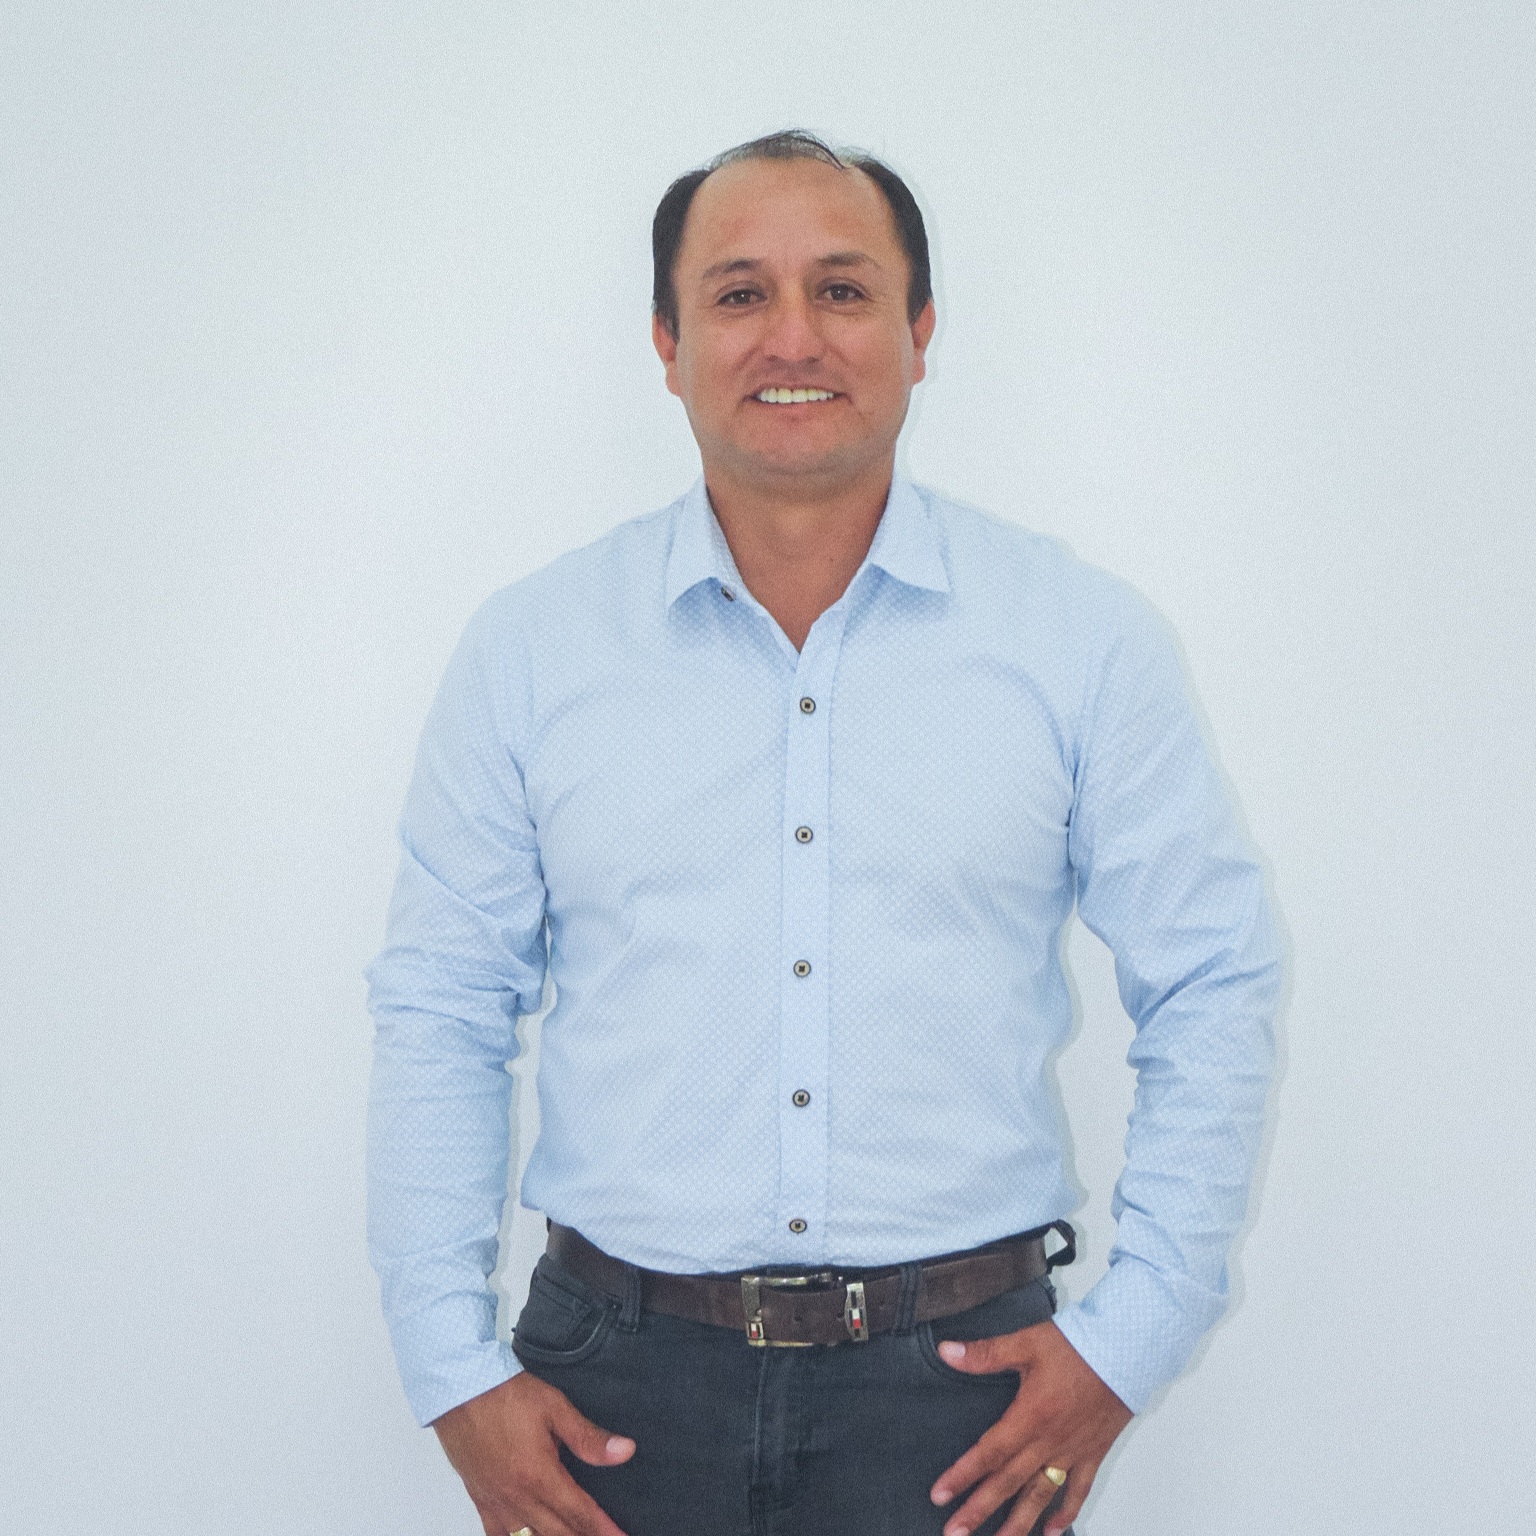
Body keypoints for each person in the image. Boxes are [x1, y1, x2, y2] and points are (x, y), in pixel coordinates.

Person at [365, 129, 1280, 1536]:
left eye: (842, 290)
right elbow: (442, 1003)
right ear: (668, 343)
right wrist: (449, 1370)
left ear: (920, 332)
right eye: (739, 294)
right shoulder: (532, 651)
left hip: (961, 1398)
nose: (792, 336)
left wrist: (1133, 1336)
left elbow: (1212, 977)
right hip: (612, 1393)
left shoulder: (1080, 641)